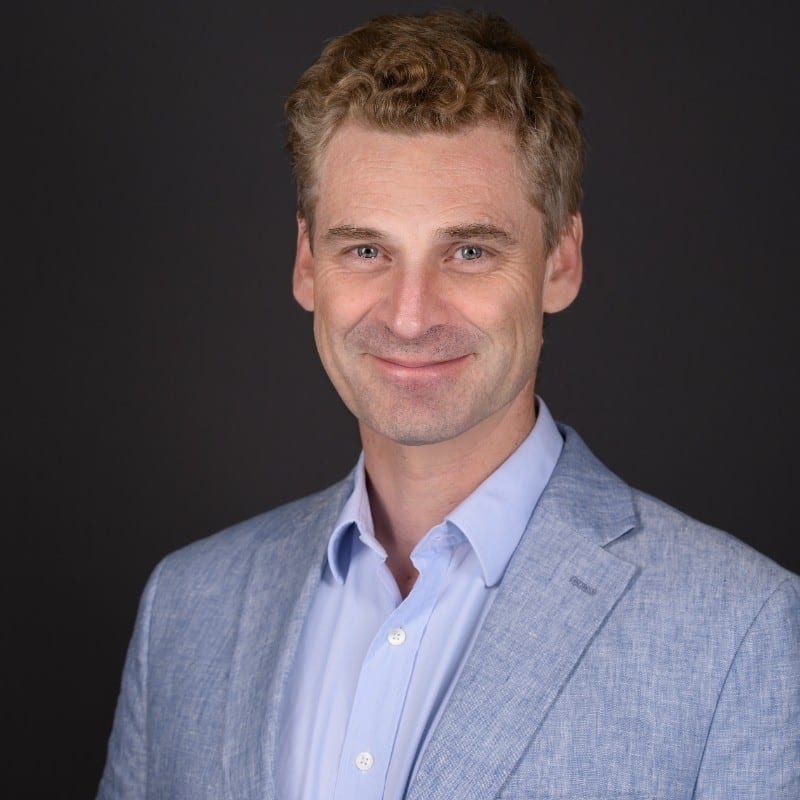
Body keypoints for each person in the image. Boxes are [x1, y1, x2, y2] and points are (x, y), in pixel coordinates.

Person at [97, 10, 799, 799]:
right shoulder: (187, 607)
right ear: (307, 264)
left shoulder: (738, 631)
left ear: (560, 262)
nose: (409, 316)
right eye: (367, 249)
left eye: (468, 251)